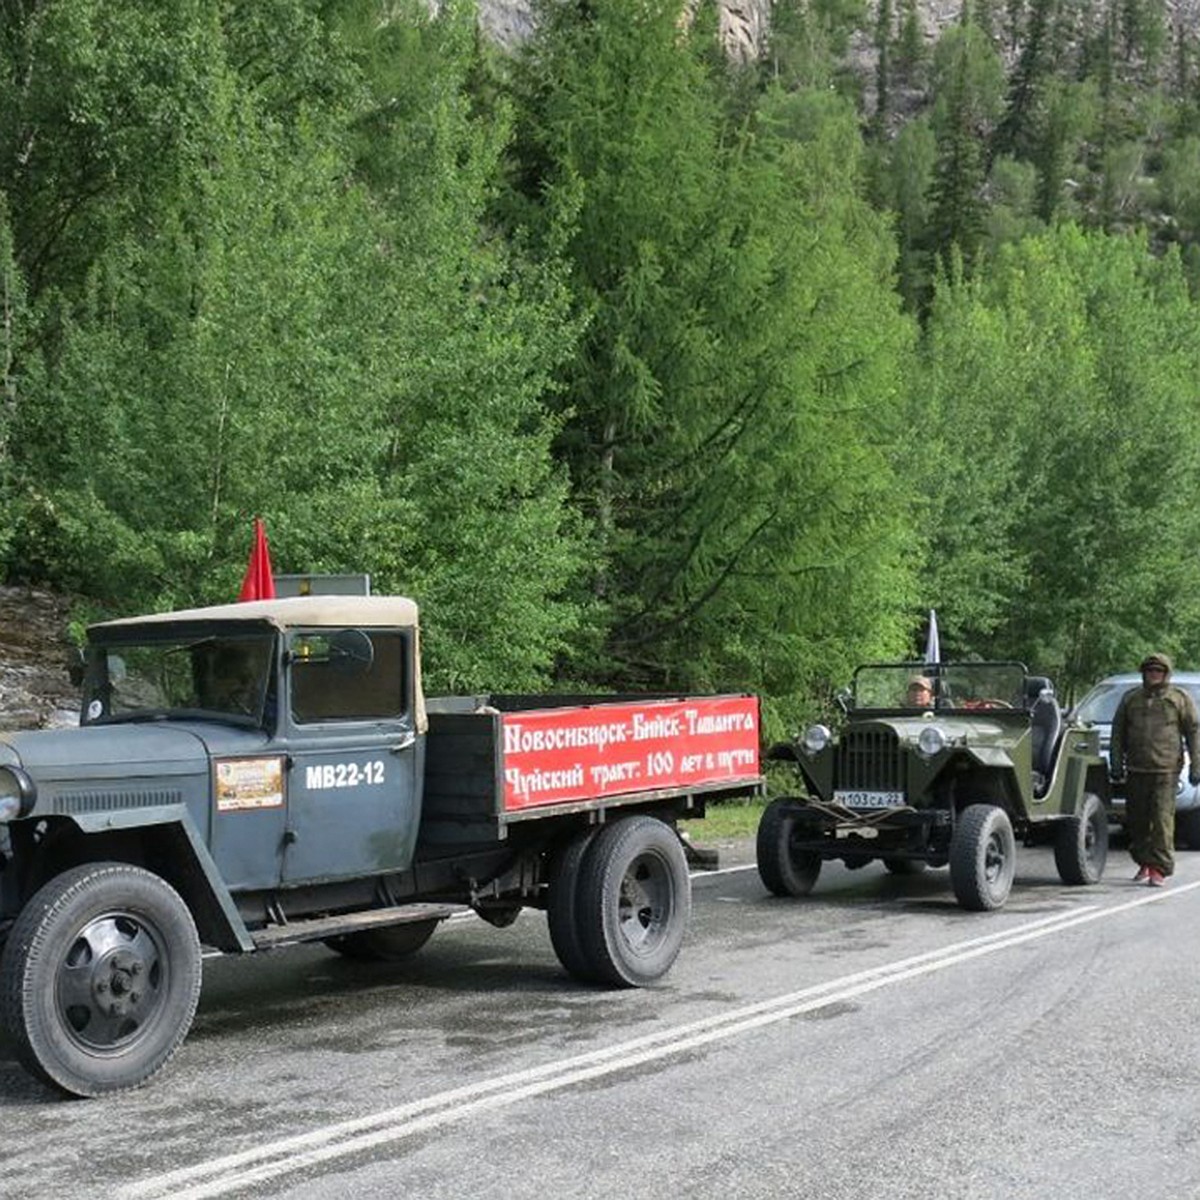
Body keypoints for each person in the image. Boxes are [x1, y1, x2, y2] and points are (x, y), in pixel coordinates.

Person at [1109, 652, 1200, 887]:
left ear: (1166, 674)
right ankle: (1145, 862)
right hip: (1137, 769)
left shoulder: (1179, 699)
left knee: (1161, 821)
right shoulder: (1131, 699)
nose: (1154, 675)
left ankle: (1160, 868)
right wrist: (1116, 763)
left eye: (1158, 671)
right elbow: (1118, 733)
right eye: (1150, 671)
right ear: (1144, 674)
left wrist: (1196, 766)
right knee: (1137, 822)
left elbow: (1193, 733)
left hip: (1166, 770)